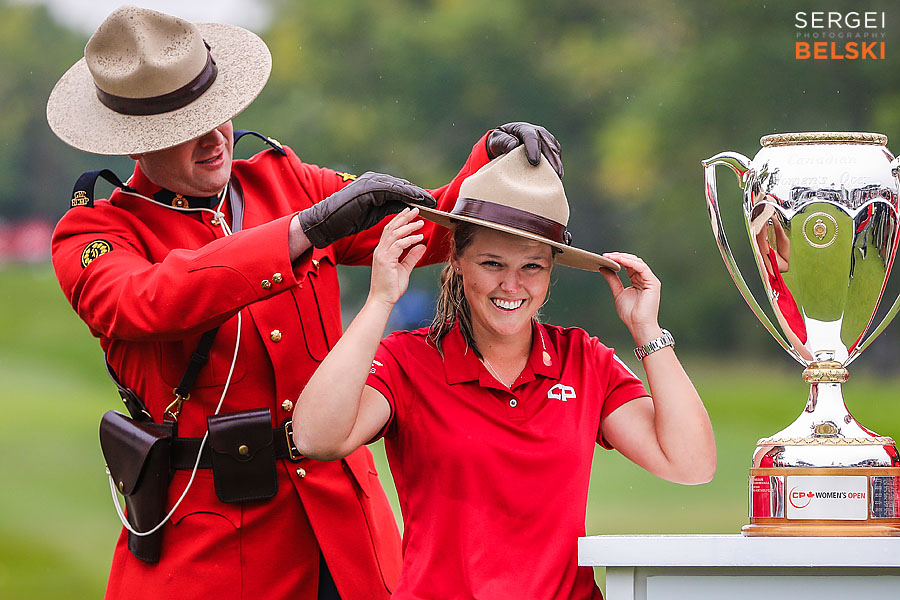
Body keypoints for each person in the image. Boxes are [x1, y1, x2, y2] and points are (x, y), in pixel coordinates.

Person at [46, 6, 563, 600]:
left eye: (217, 111)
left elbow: (428, 234)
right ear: (139, 140)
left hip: (344, 527)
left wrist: (490, 165)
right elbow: (148, 301)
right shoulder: (93, 233)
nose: (216, 136)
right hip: (212, 543)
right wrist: (300, 233)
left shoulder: (282, 179)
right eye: (187, 126)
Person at [293, 146, 717, 599]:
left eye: (531, 266)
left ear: (552, 269)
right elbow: (316, 437)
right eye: (492, 263)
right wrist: (381, 299)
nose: (512, 286)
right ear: (456, 259)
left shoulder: (582, 358)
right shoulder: (407, 362)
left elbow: (690, 464)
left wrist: (645, 328)